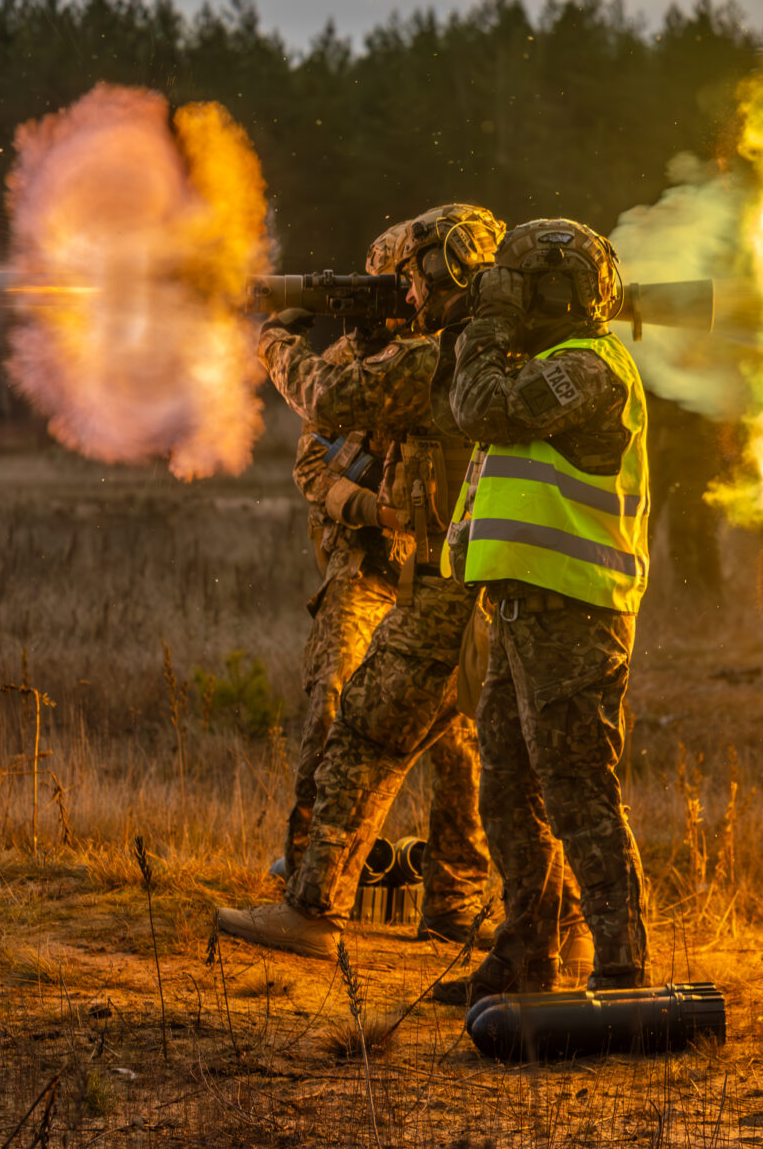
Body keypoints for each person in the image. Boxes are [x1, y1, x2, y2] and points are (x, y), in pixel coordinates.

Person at [220, 205, 586, 962]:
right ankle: (563, 932)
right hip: (525, 589)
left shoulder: (442, 360)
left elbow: (326, 399)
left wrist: (275, 341)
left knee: (363, 733)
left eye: (415, 277)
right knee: (521, 762)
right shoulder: (538, 352)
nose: (409, 294)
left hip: (448, 588)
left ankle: (315, 909)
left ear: (446, 270)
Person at [433, 218, 654, 1001]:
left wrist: (487, 320)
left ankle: (622, 966)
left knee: (576, 788)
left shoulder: (589, 369)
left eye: (515, 283)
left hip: (576, 611)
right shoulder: (554, 361)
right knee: (507, 788)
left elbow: (480, 408)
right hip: (526, 607)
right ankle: (527, 951)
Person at [273, 305, 487, 946]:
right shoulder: (346, 366)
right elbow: (312, 468)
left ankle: (454, 900)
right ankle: (311, 877)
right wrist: (376, 510)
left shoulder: (448, 362)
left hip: (436, 575)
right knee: (335, 704)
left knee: (461, 741)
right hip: (366, 566)